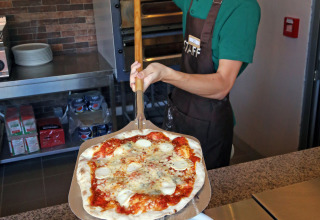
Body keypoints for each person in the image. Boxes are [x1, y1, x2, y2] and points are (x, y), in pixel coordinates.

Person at [130, 0, 260, 170]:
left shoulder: (243, 8)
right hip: (178, 112)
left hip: (208, 127)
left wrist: (165, 74)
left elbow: (222, 85)